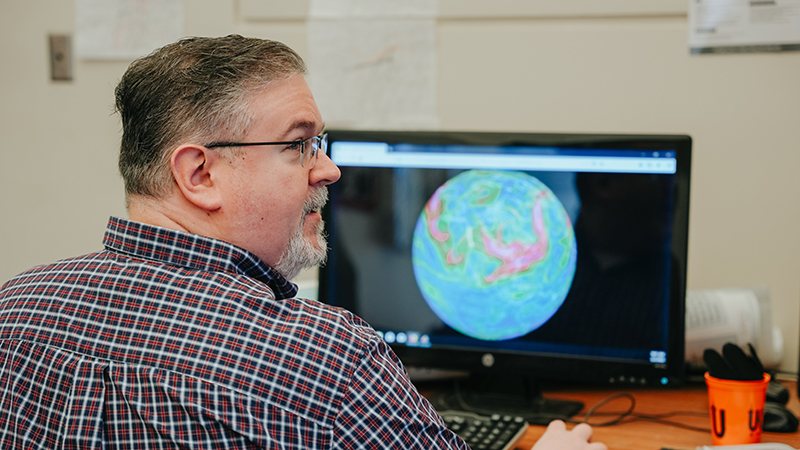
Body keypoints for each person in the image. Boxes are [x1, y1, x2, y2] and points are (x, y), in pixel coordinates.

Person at [0, 34, 607, 450]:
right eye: (299, 145)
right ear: (199, 175)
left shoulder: (15, 307)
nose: (329, 170)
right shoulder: (325, 358)